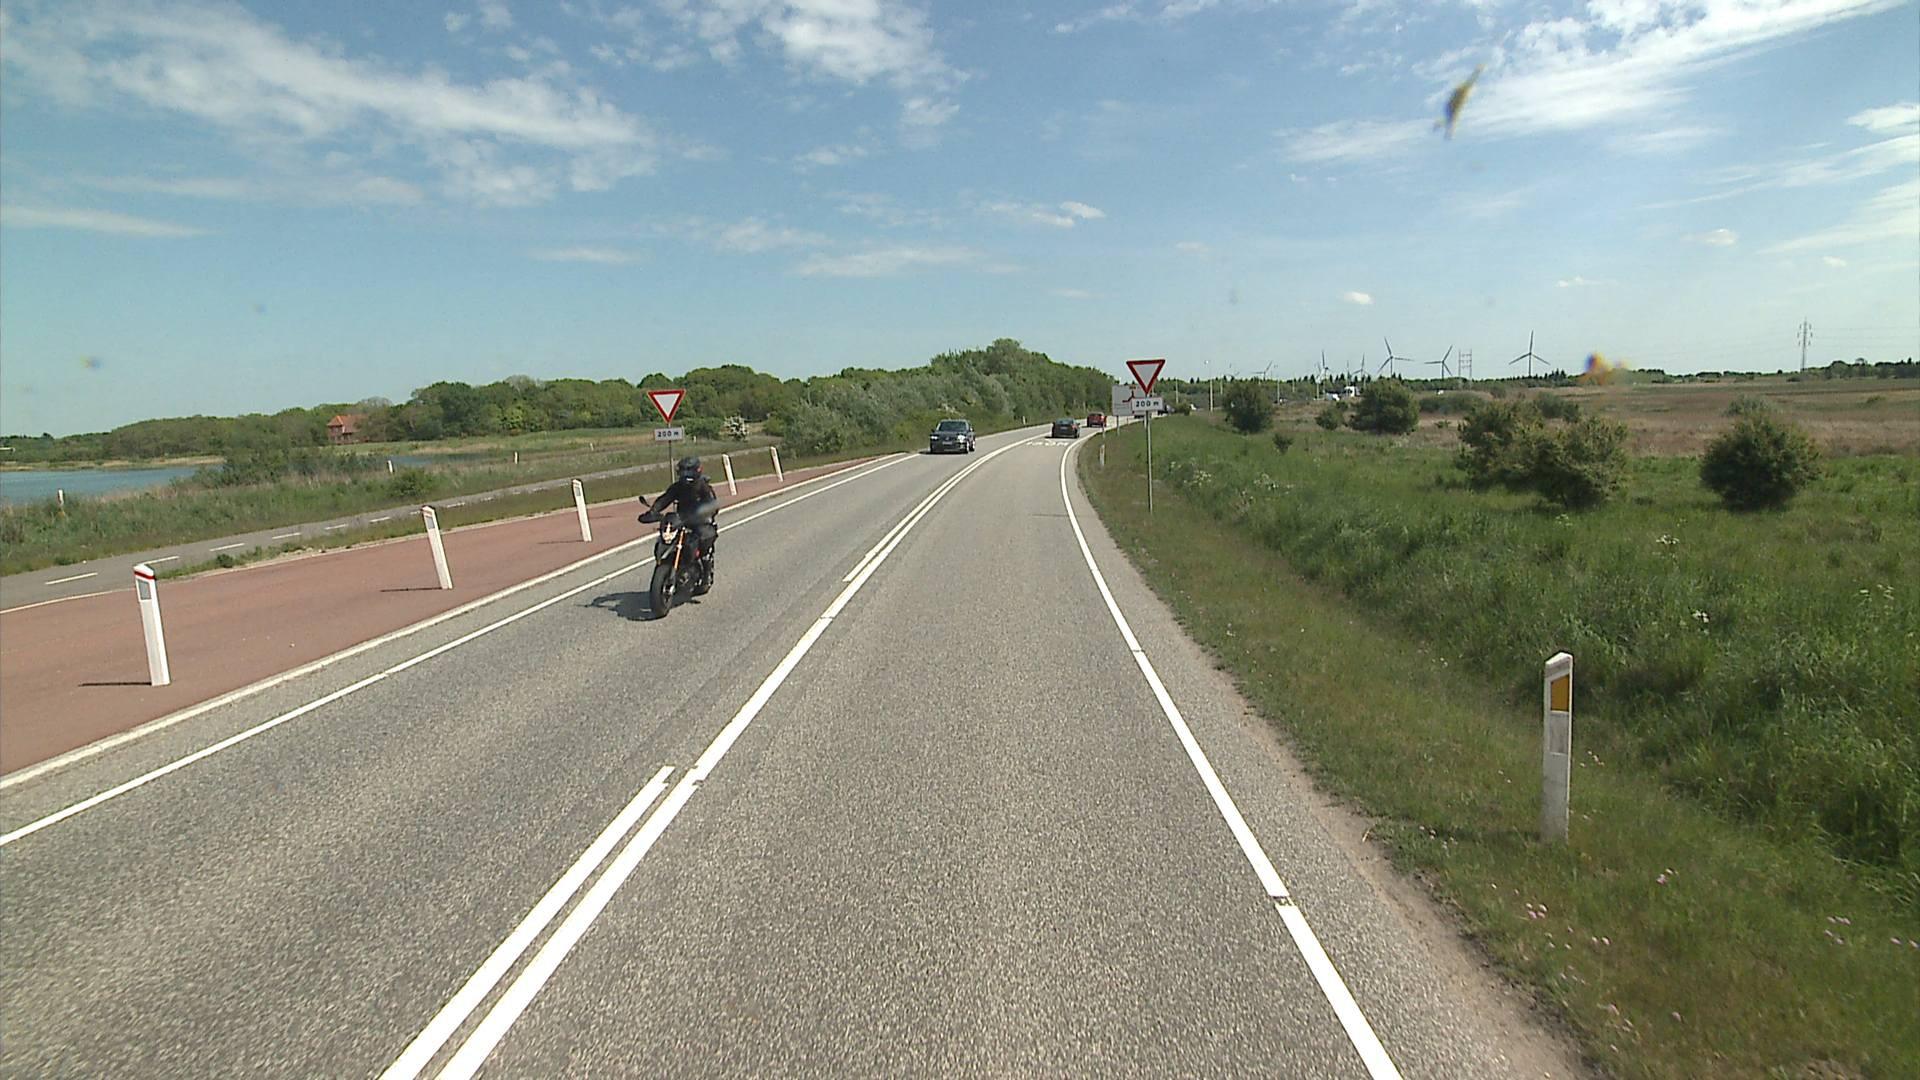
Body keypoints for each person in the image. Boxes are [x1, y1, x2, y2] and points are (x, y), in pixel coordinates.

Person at [640, 456, 719, 590]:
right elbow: (665, 499)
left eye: (689, 471)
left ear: (697, 471)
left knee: (704, 538)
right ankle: (668, 562)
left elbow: (712, 503)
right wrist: (653, 511)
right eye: (683, 471)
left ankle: (706, 575)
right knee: (667, 536)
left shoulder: (703, 487)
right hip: (681, 519)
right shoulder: (677, 487)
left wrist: (706, 512)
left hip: (699, 520)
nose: (686, 474)